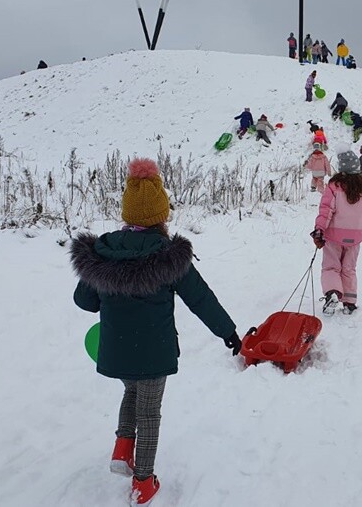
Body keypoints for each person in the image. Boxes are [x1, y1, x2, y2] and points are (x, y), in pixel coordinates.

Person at [69, 158, 241, 507]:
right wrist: (228, 332)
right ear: (161, 215)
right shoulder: (169, 256)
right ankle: (143, 483)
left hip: (117, 348)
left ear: (127, 212)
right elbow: (200, 299)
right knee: (149, 412)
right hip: (154, 350)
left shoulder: (103, 252)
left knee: (131, 391)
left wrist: (107, 291)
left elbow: (84, 301)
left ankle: (122, 448)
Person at [311, 149, 362, 315]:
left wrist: (319, 230)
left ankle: (332, 293)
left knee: (331, 267)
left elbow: (326, 211)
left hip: (334, 236)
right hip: (355, 238)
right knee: (349, 269)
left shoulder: (334, 187)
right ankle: (350, 303)